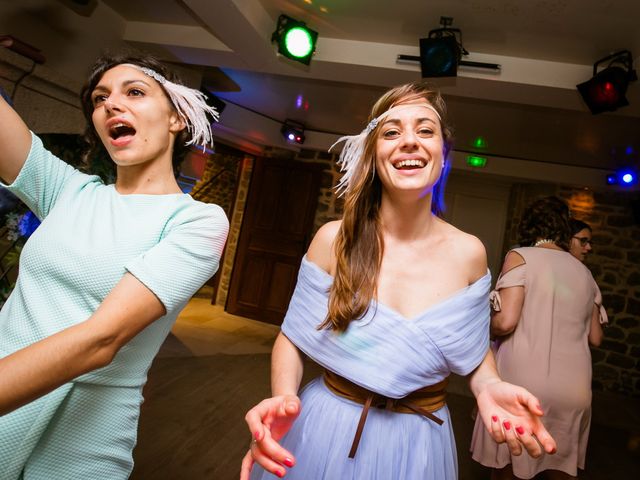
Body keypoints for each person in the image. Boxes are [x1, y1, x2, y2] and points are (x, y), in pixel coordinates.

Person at [240, 82, 556, 480]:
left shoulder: (469, 253)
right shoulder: (334, 240)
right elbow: (292, 336)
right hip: (327, 425)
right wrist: (284, 397)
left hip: (418, 439)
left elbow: (475, 353)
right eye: (391, 132)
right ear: (374, 154)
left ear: (444, 154)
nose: (409, 141)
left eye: (425, 130)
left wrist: (489, 386)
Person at [0, 52, 229, 478]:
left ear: (177, 118)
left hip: (82, 440)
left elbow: (100, 339)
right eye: (100, 98)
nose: (110, 104)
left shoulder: (196, 221)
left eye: (134, 92)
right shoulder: (69, 191)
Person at [470, 196, 606, 479]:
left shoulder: (520, 256)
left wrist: (482, 322)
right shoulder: (585, 273)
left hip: (525, 384)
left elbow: (506, 321)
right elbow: (596, 338)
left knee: (508, 466)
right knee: (556, 466)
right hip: (575, 390)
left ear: (530, 226)